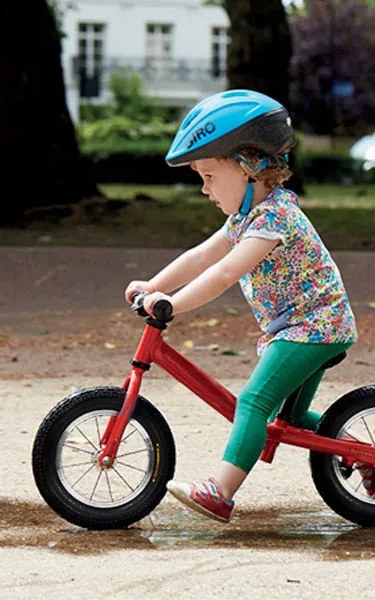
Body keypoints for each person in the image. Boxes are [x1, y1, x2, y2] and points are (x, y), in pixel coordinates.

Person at [125, 89, 361, 524]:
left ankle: (220, 493)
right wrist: (153, 284)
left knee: (252, 402)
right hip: (299, 326)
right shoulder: (246, 218)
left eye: (210, 175)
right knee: (283, 417)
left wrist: (171, 305)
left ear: (250, 166)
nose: (204, 188)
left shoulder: (274, 220)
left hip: (313, 327)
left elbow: (223, 273)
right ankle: (361, 453)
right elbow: (201, 256)